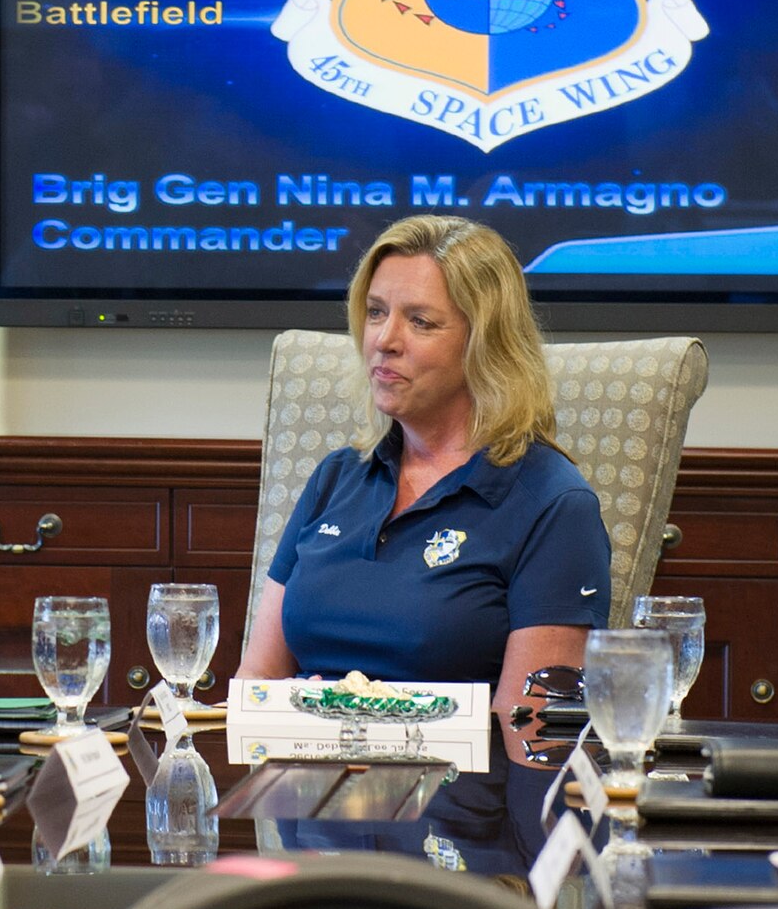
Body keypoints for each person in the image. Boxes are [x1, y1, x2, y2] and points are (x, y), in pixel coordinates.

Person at [235, 215, 610, 716]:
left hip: (449, 786)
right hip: (303, 778)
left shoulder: (554, 504)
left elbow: (530, 734)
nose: (384, 340)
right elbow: (258, 679)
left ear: (486, 343)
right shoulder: (336, 477)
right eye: (375, 312)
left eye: (420, 321)